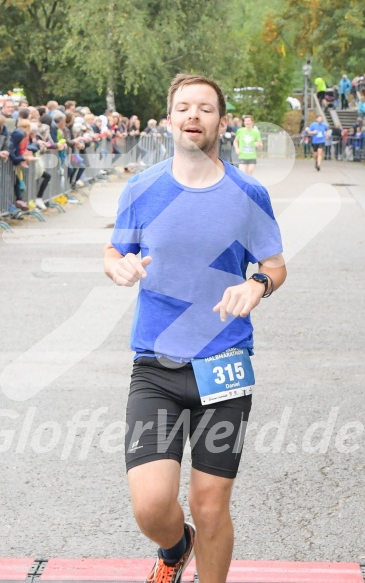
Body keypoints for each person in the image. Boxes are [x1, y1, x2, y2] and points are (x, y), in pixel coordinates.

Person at [103, 73, 286, 583]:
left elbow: (274, 264)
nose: (193, 116)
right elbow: (116, 249)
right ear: (169, 119)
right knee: (151, 507)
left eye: (205, 109)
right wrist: (115, 265)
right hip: (156, 366)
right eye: (184, 107)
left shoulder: (249, 193)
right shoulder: (143, 187)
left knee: (209, 507)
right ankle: (174, 547)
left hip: (224, 365)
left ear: (221, 122)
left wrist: (258, 286)